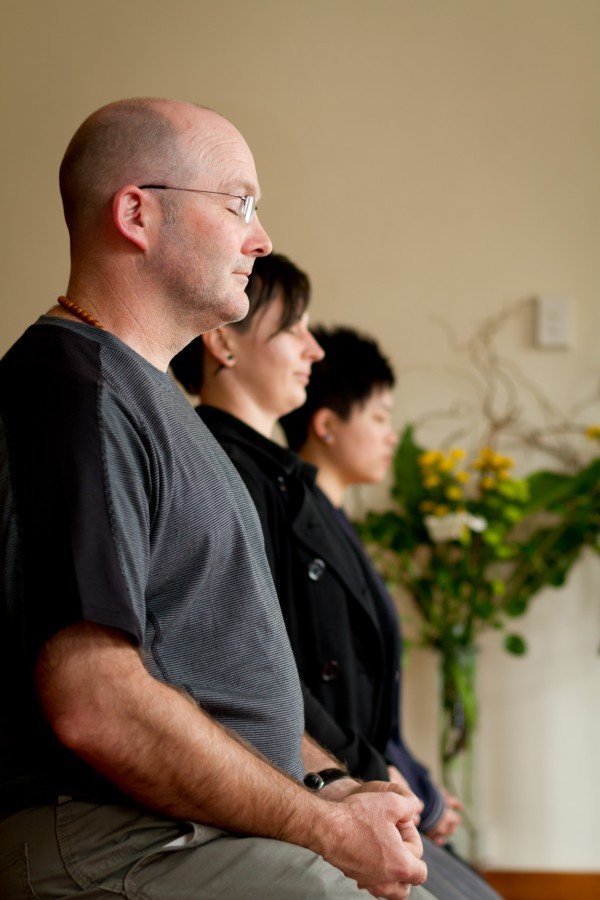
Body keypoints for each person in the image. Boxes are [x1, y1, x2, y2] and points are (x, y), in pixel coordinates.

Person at [0, 100, 432, 900]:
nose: (260, 237)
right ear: (137, 213)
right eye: (239, 204)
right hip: (111, 836)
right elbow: (96, 702)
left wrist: (332, 782)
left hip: (189, 829)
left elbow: (228, 687)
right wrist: (323, 826)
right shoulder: (74, 390)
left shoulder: (152, 398)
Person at [172, 254, 500, 899]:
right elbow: (266, 669)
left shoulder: (282, 479)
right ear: (221, 342)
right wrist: (370, 778)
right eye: (293, 327)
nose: (313, 350)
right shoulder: (230, 472)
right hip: (304, 781)